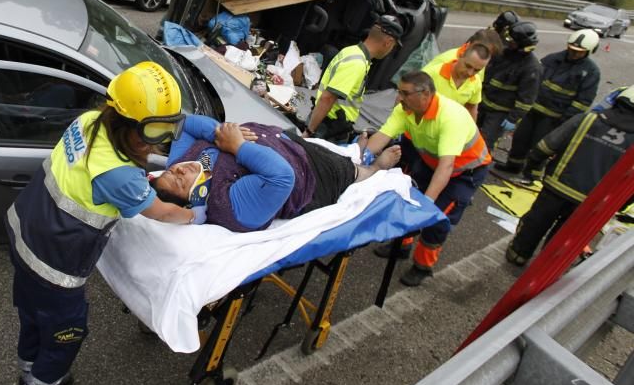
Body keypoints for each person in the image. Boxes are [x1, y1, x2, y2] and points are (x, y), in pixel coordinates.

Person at [5, 61, 197, 385]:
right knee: (65, 335)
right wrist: (195, 214)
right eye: (153, 130)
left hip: (25, 234)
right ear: (124, 123)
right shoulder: (119, 176)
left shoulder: (90, 122)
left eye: (167, 128)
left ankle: (32, 374)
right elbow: (160, 213)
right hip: (54, 267)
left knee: (34, 319)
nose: (158, 141)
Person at [150, 115, 401, 232]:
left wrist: (220, 133)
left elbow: (184, 124)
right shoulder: (227, 205)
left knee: (336, 149)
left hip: (285, 141)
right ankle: (373, 167)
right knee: (353, 171)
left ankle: (358, 148)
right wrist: (237, 145)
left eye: (172, 170)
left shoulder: (181, 162)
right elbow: (281, 176)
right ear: (195, 201)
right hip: (314, 175)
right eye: (180, 180)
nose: (180, 169)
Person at [366, 71, 492, 286]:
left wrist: (427, 203)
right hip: (430, 161)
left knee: (436, 217)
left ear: (424, 94)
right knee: (408, 197)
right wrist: (359, 158)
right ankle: (402, 246)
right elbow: (382, 136)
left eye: (405, 93)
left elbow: (447, 166)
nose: (399, 97)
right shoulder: (405, 110)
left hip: (464, 172)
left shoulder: (450, 117)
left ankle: (423, 266)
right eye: (399, 91)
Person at [505, 86, 634, 265]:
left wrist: (532, 169)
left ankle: (517, 255)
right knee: (563, 239)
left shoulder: (587, 119)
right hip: (591, 202)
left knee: (534, 224)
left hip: (556, 187)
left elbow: (546, 146)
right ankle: (543, 271)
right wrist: (618, 205)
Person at [495, 28, 601, 185]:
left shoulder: (591, 72)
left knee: (540, 148)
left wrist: (565, 121)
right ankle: (513, 166)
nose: (573, 53)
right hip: (533, 109)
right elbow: (534, 77)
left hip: (554, 117)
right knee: (520, 139)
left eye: (578, 52)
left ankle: (532, 176)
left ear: (590, 51)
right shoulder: (553, 59)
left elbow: (583, 102)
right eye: (571, 49)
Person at [305, 15, 404, 143]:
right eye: (393, 46)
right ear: (388, 42)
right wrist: (309, 131)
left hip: (328, 126)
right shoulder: (357, 63)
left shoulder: (353, 52)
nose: (391, 50)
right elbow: (327, 98)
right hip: (326, 129)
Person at [476, 21, 542, 149]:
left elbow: (526, 100)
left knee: (484, 145)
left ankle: (477, 168)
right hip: (482, 104)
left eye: (512, 41)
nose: (508, 43)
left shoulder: (531, 68)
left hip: (500, 114)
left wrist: (513, 119)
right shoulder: (503, 54)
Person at [422, 43, 492, 120]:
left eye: (477, 70)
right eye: (468, 66)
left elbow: (471, 108)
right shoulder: (430, 74)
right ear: (460, 56)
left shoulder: (476, 81)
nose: (470, 73)